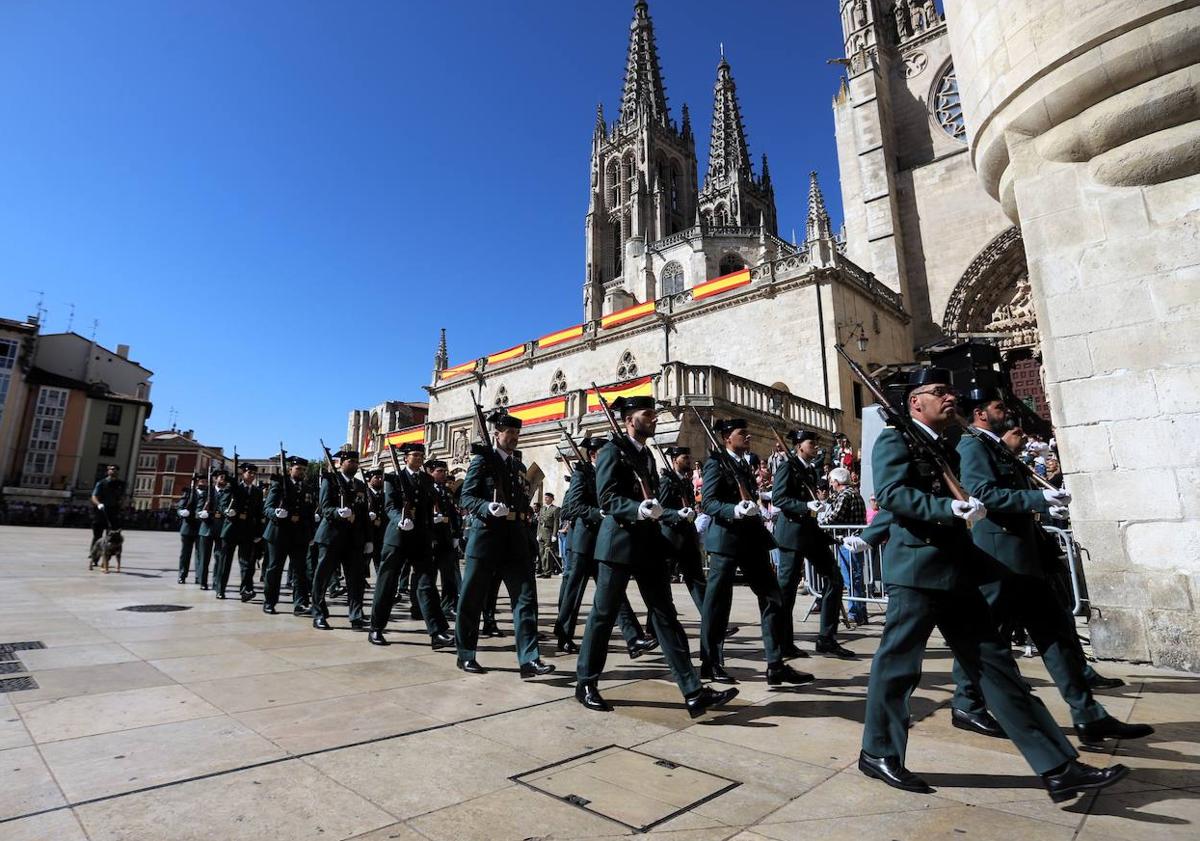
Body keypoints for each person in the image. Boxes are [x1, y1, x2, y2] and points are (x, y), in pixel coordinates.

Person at [858, 366, 1127, 803]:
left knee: (998, 669)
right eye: (940, 391)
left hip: (959, 571)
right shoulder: (896, 439)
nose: (951, 397)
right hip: (917, 571)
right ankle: (879, 751)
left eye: (951, 391)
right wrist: (948, 507)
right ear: (915, 402)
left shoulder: (945, 444)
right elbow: (891, 495)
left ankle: (1058, 768)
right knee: (897, 668)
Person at [947, 388, 1153, 747]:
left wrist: (1043, 505)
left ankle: (1089, 715)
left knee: (1055, 634)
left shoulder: (994, 443)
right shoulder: (973, 445)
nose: (1005, 410)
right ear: (980, 412)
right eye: (998, 406)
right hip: (999, 558)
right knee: (985, 636)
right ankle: (966, 703)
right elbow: (984, 494)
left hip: (1025, 558)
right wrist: (1037, 498)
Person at [575, 396, 737, 718]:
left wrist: (657, 511)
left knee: (665, 615)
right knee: (604, 615)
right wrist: (636, 508)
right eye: (647, 415)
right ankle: (586, 682)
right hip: (617, 544)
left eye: (653, 414)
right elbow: (607, 499)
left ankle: (692, 692)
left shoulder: (646, 455)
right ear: (628, 420)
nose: (653, 419)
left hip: (647, 544)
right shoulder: (611, 450)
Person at [701, 419, 815, 686]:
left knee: (772, 598)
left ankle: (775, 664)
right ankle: (711, 663)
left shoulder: (743, 464)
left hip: (751, 541)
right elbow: (708, 502)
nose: (748, 436)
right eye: (742, 433)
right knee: (717, 605)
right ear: (728, 437)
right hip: (726, 541)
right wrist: (735, 510)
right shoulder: (715, 464)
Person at [454, 411, 554, 677]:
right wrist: (487, 506)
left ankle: (529, 660)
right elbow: (466, 497)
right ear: (496, 434)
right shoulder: (482, 461)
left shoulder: (518, 467)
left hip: (515, 538)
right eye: (509, 433)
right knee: (472, 599)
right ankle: (465, 653)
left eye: (517, 434)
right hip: (486, 536)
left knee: (525, 599)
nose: (514, 438)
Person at [553, 434, 656, 657]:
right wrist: (598, 512)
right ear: (592, 455)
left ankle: (633, 638)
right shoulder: (582, 473)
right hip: (583, 541)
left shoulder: (611, 472)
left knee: (616, 593)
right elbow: (572, 508)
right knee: (574, 591)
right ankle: (564, 635)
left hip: (604, 541)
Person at [773, 429, 854, 658]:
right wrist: (805, 506)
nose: (816, 446)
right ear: (799, 445)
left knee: (834, 579)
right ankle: (783, 643)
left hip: (810, 534)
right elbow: (779, 498)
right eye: (812, 442)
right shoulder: (787, 467)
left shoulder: (809, 469)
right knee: (786, 591)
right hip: (791, 534)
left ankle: (826, 639)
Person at [368, 443, 455, 648]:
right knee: (387, 584)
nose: (418, 458)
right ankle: (376, 628)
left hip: (420, 539)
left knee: (426, 585)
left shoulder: (426, 479)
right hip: (397, 538)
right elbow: (389, 506)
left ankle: (437, 632)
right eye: (415, 455)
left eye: (421, 455)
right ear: (405, 458)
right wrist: (400, 519)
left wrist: (431, 531)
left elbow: (426, 509)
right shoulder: (393, 478)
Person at [310, 449, 369, 630]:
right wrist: (338, 513)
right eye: (349, 461)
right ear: (341, 463)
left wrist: (368, 539)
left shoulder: (360, 485)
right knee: (322, 577)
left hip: (353, 539)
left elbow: (364, 513)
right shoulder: (330, 481)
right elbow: (325, 507)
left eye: (355, 461)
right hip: (331, 537)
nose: (352, 464)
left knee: (356, 580)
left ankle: (356, 615)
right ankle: (318, 614)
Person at [262, 456, 315, 615]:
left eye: (304, 470)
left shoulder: (307, 488)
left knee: (300, 571)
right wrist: (276, 513)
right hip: (279, 534)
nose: (301, 472)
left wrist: (311, 533)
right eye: (298, 469)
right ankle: (270, 602)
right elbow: (268, 508)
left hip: (299, 535)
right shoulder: (279, 485)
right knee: (274, 569)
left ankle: (300, 604)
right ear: (290, 469)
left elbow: (310, 513)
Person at [820, 467, 868, 626]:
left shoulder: (845, 495)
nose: (830, 485)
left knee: (851, 578)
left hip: (847, 541)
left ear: (837, 481)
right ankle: (860, 612)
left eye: (831, 481)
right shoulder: (855, 493)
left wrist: (820, 523)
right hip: (854, 541)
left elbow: (835, 517)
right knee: (856, 577)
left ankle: (855, 613)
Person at [426, 459, 463, 619]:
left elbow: (454, 515)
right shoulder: (426, 489)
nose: (443, 474)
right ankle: (424, 606)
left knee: (449, 576)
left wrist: (456, 535)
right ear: (430, 472)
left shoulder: (447, 491)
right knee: (428, 576)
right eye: (439, 471)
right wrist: (429, 522)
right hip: (431, 538)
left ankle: (448, 605)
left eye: (444, 471)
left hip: (446, 538)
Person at [232, 463, 265, 602]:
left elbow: (258, 514)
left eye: (253, 473)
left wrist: (259, 533)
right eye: (249, 473)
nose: (251, 475)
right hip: (233, 529)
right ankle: (219, 586)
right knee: (223, 561)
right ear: (242, 473)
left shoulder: (257, 491)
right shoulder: (235, 488)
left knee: (248, 562)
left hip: (249, 531)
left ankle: (246, 589)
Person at [175, 473, 204, 584]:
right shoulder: (189, 492)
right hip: (188, 527)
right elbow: (180, 506)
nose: (204, 483)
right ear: (197, 482)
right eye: (202, 481)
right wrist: (182, 512)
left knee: (199, 554)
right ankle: (182, 575)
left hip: (201, 527)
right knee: (185, 554)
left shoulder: (208, 494)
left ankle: (199, 576)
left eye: (206, 481)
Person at [89, 464, 125, 550]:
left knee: (113, 536)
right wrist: (98, 504)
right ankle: (94, 555)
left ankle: (108, 554)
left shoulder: (121, 484)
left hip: (114, 512)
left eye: (116, 469)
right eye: (112, 469)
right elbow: (94, 496)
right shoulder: (101, 483)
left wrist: (122, 504)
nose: (114, 470)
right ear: (108, 471)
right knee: (97, 535)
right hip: (101, 512)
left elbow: (122, 497)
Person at [363, 468, 386, 578]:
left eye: (381, 477)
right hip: (367, 533)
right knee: (364, 560)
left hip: (381, 533)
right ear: (369, 480)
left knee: (380, 560)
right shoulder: (365, 494)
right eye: (376, 477)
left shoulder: (385, 495)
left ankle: (381, 585)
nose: (380, 479)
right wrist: (367, 517)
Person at [535, 493, 562, 578]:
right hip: (542, 532)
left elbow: (556, 522)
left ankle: (548, 571)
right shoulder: (542, 508)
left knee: (548, 553)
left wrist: (554, 534)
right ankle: (543, 570)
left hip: (549, 532)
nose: (545, 499)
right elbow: (539, 522)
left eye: (547, 498)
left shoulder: (555, 509)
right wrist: (538, 533)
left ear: (551, 499)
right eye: (545, 497)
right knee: (541, 552)